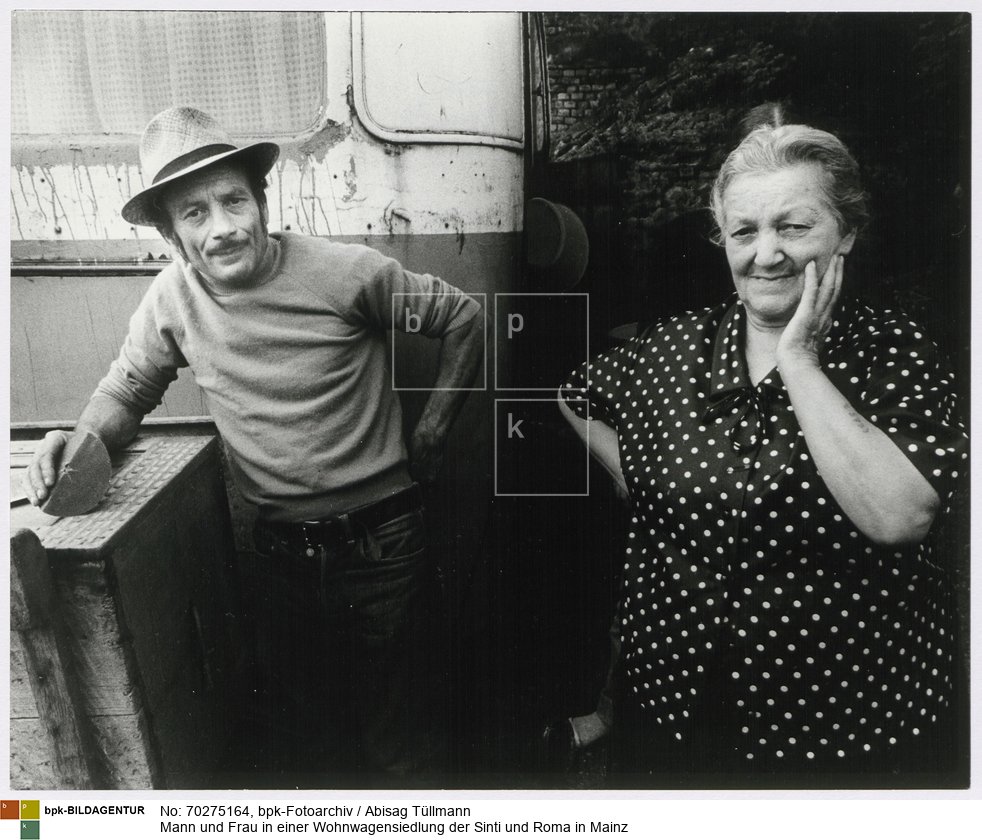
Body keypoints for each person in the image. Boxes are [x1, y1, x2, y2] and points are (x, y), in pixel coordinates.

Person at [22, 106, 485, 782]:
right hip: (281, 560)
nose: (223, 227)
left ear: (262, 202)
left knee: (402, 747)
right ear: (171, 234)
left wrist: (434, 428)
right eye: (195, 213)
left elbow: (462, 317)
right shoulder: (172, 302)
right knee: (313, 750)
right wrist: (78, 439)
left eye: (233, 200)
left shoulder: (345, 274)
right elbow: (125, 394)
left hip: (385, 547)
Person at [558, 113, 967, 784]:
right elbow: (576, 393)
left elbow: (899, 517)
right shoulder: (672, 349)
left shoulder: (893, 351)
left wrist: (799, 361)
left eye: (794, 227)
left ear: (847, 233)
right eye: (744, 231)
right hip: (672, 700)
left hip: (843, 721)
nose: (766, 254)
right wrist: (631, 472)